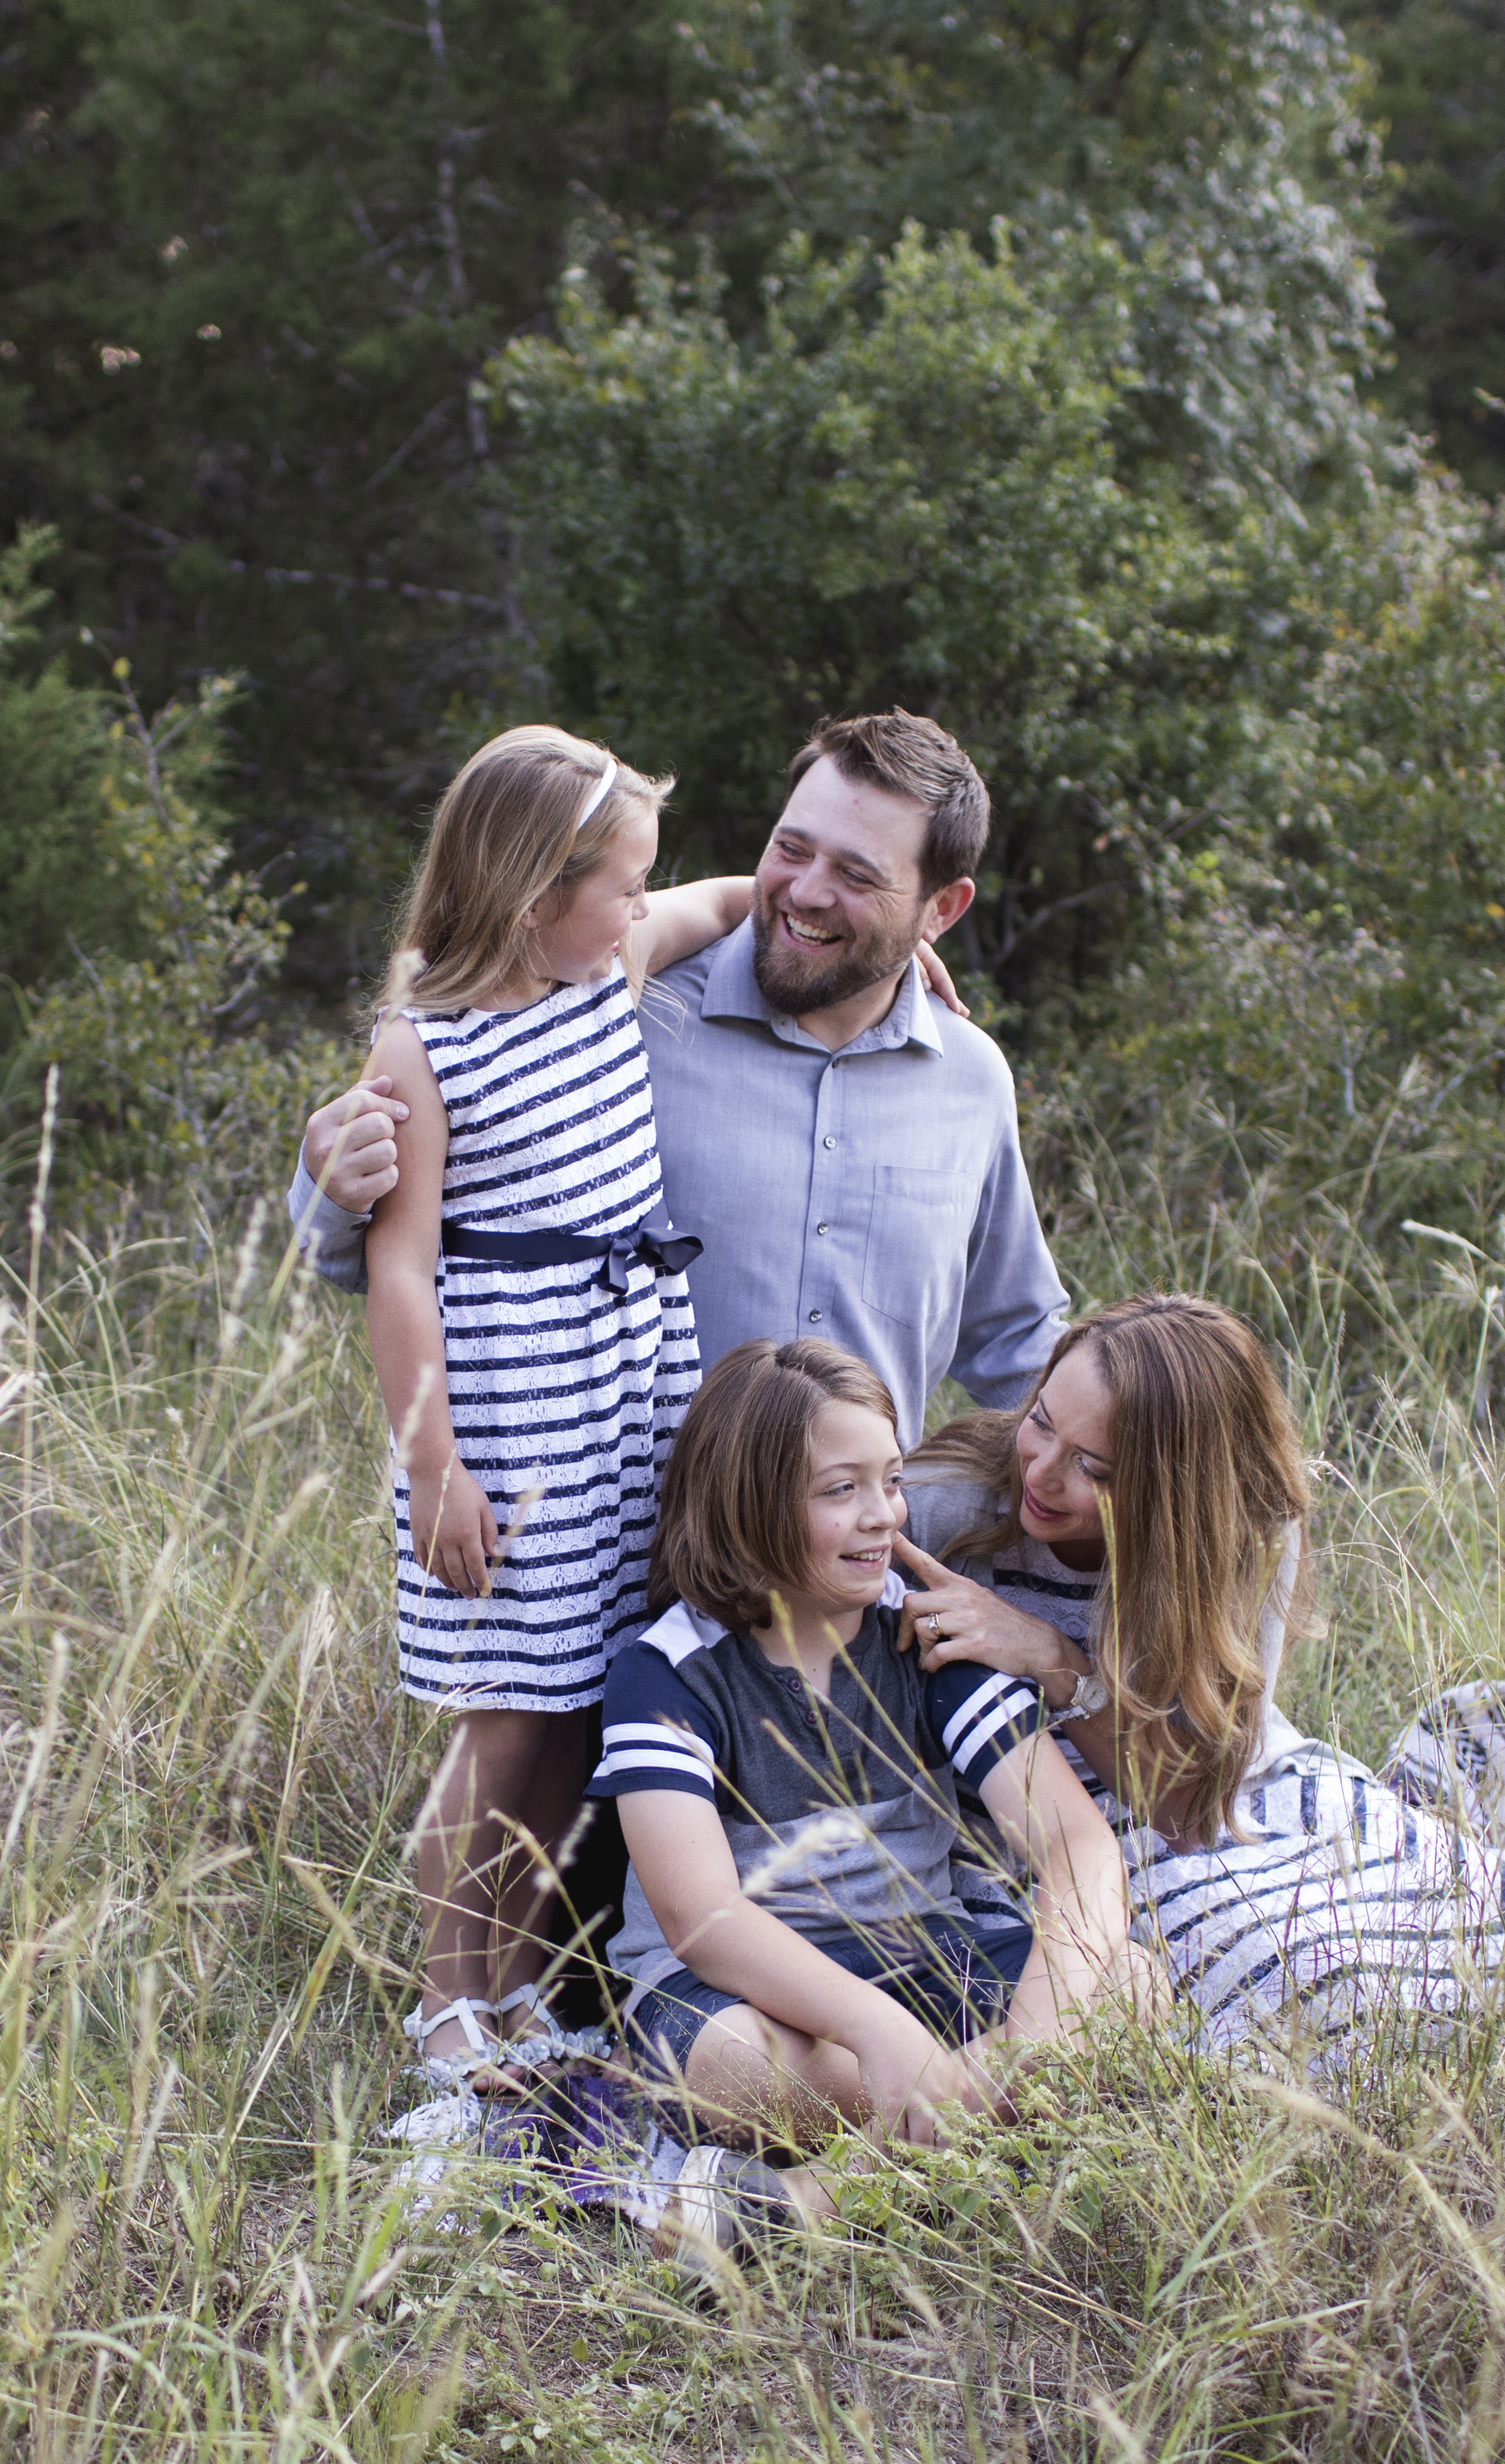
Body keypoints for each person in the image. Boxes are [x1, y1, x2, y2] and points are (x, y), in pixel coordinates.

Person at [291, 709, 1069, 1448]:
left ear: (942, 908)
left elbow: (1012, 1338)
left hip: (853, 1572)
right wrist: (330, 1186)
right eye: (791, 849)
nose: (804, 892)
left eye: (857, 875)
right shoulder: (616, 1010)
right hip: (619, 1554)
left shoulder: (970, 1078)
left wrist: (1122, 1496)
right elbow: (412, 1254)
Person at [893, 1294, 1505, 2055]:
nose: (1042, 1472)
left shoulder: (1245, 1528)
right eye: (1041, 1421)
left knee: (1481, 1917)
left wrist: (1055, 1660)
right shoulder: (937, 1509)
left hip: (1198, 1789)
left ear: (1177, 1490)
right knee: (1287, 1971)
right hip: (1037, 1825)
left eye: (1092, 1467)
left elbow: (1189, 1800)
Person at [362, 724, 747, 2112]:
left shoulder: (602, 975)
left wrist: (816, 905)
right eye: (620, 884)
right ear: (535, 891)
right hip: (507, 1418)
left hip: (625, 1394)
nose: (645, 907)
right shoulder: (424, 1044)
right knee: (502, 1723)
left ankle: (521, 1986)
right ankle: (447, 2000)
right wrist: (437, 1469)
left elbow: (714, 901)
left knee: (580, 1703)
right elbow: (398, 1267)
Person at [590, 1337, 1158, 2250]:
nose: (879, 1516)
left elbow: (1076, 1844)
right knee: (740, 2071)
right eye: (838, 1489)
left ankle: (819, 2194)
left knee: (1129, 1984)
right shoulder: (666, 1673)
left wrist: (1034, 2038)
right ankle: (988, 2122)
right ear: (748, 1504)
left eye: (889, 1481)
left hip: (929, 1957)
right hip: (751, 1996)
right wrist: (878, 2030)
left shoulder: (923, 1641)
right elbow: (704, 1919)